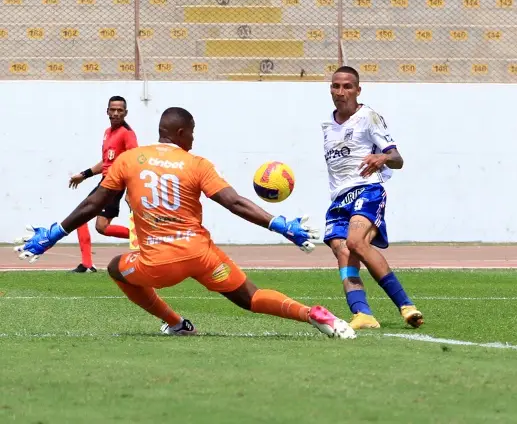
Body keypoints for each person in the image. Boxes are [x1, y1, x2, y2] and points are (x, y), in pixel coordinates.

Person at [15, 107, 356, 340]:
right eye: (191, 133)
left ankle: (177, 323)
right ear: (180, 132)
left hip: (156, 264)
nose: (193, 139)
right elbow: (233, 202)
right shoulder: (196, 163)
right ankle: (312, 315)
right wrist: (281, 225)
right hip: (201, 255)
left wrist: (54, 234)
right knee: (249, 297)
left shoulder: (129, 160)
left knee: (117, 268)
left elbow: (95, 202)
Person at [321, 66, 423, 330]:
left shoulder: (368, 117)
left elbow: (398, 159)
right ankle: (362, 314)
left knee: (356, 242)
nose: (340, 92)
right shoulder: (327, 126)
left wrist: (383, 157)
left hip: (366, 189)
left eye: (347, 86)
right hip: (338, 199)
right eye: (335, 86)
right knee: (343, 251)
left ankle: (406, 305)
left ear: (357, 90)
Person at [68, 96, 139, 273]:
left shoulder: (127, 134)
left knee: (100, 226)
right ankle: (86, 264)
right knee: (80, 218)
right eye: (112, 110)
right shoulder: (108, 132)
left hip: (115, 185)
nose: (115, 113)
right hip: (105, 182)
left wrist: (131, 190)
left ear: (125, 113)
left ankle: (144, 238)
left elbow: (135, 162)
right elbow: (106, 162)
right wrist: (84, 175)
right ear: (107, 111)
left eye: (119, 110)